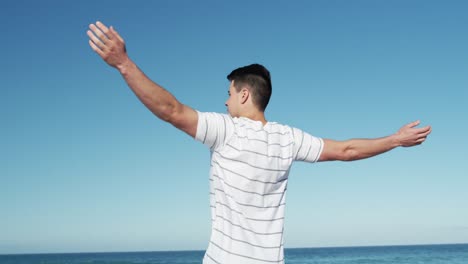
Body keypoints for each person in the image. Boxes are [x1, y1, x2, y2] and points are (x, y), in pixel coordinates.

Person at [87, 21, 431, 264]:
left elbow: (170, 109)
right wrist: (395, 140)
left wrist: (123, 64)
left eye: (229, 94)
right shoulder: (288, 138)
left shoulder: (225, 130)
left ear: (245, 93)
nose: (224, 102)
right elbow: (346, 150)